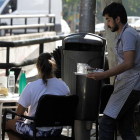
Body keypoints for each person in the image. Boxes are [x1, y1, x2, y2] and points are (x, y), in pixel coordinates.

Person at [87, 2, 140, 140]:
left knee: (105, 123)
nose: (107, 24)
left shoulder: (128, 34)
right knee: (125, 127)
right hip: (131, 85)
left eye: (108, 20)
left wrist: (104, 74)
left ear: (118, 19)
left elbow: (128, 63)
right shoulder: (124, 34)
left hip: (130, 85)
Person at [5, 53, 70, 140]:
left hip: (37, 131)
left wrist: (26, 114)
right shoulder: (63, 85)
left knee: (8, 124)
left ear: (37, 67)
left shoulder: (32, 86)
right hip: (56, 131)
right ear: (53, 67)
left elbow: (19, 112)